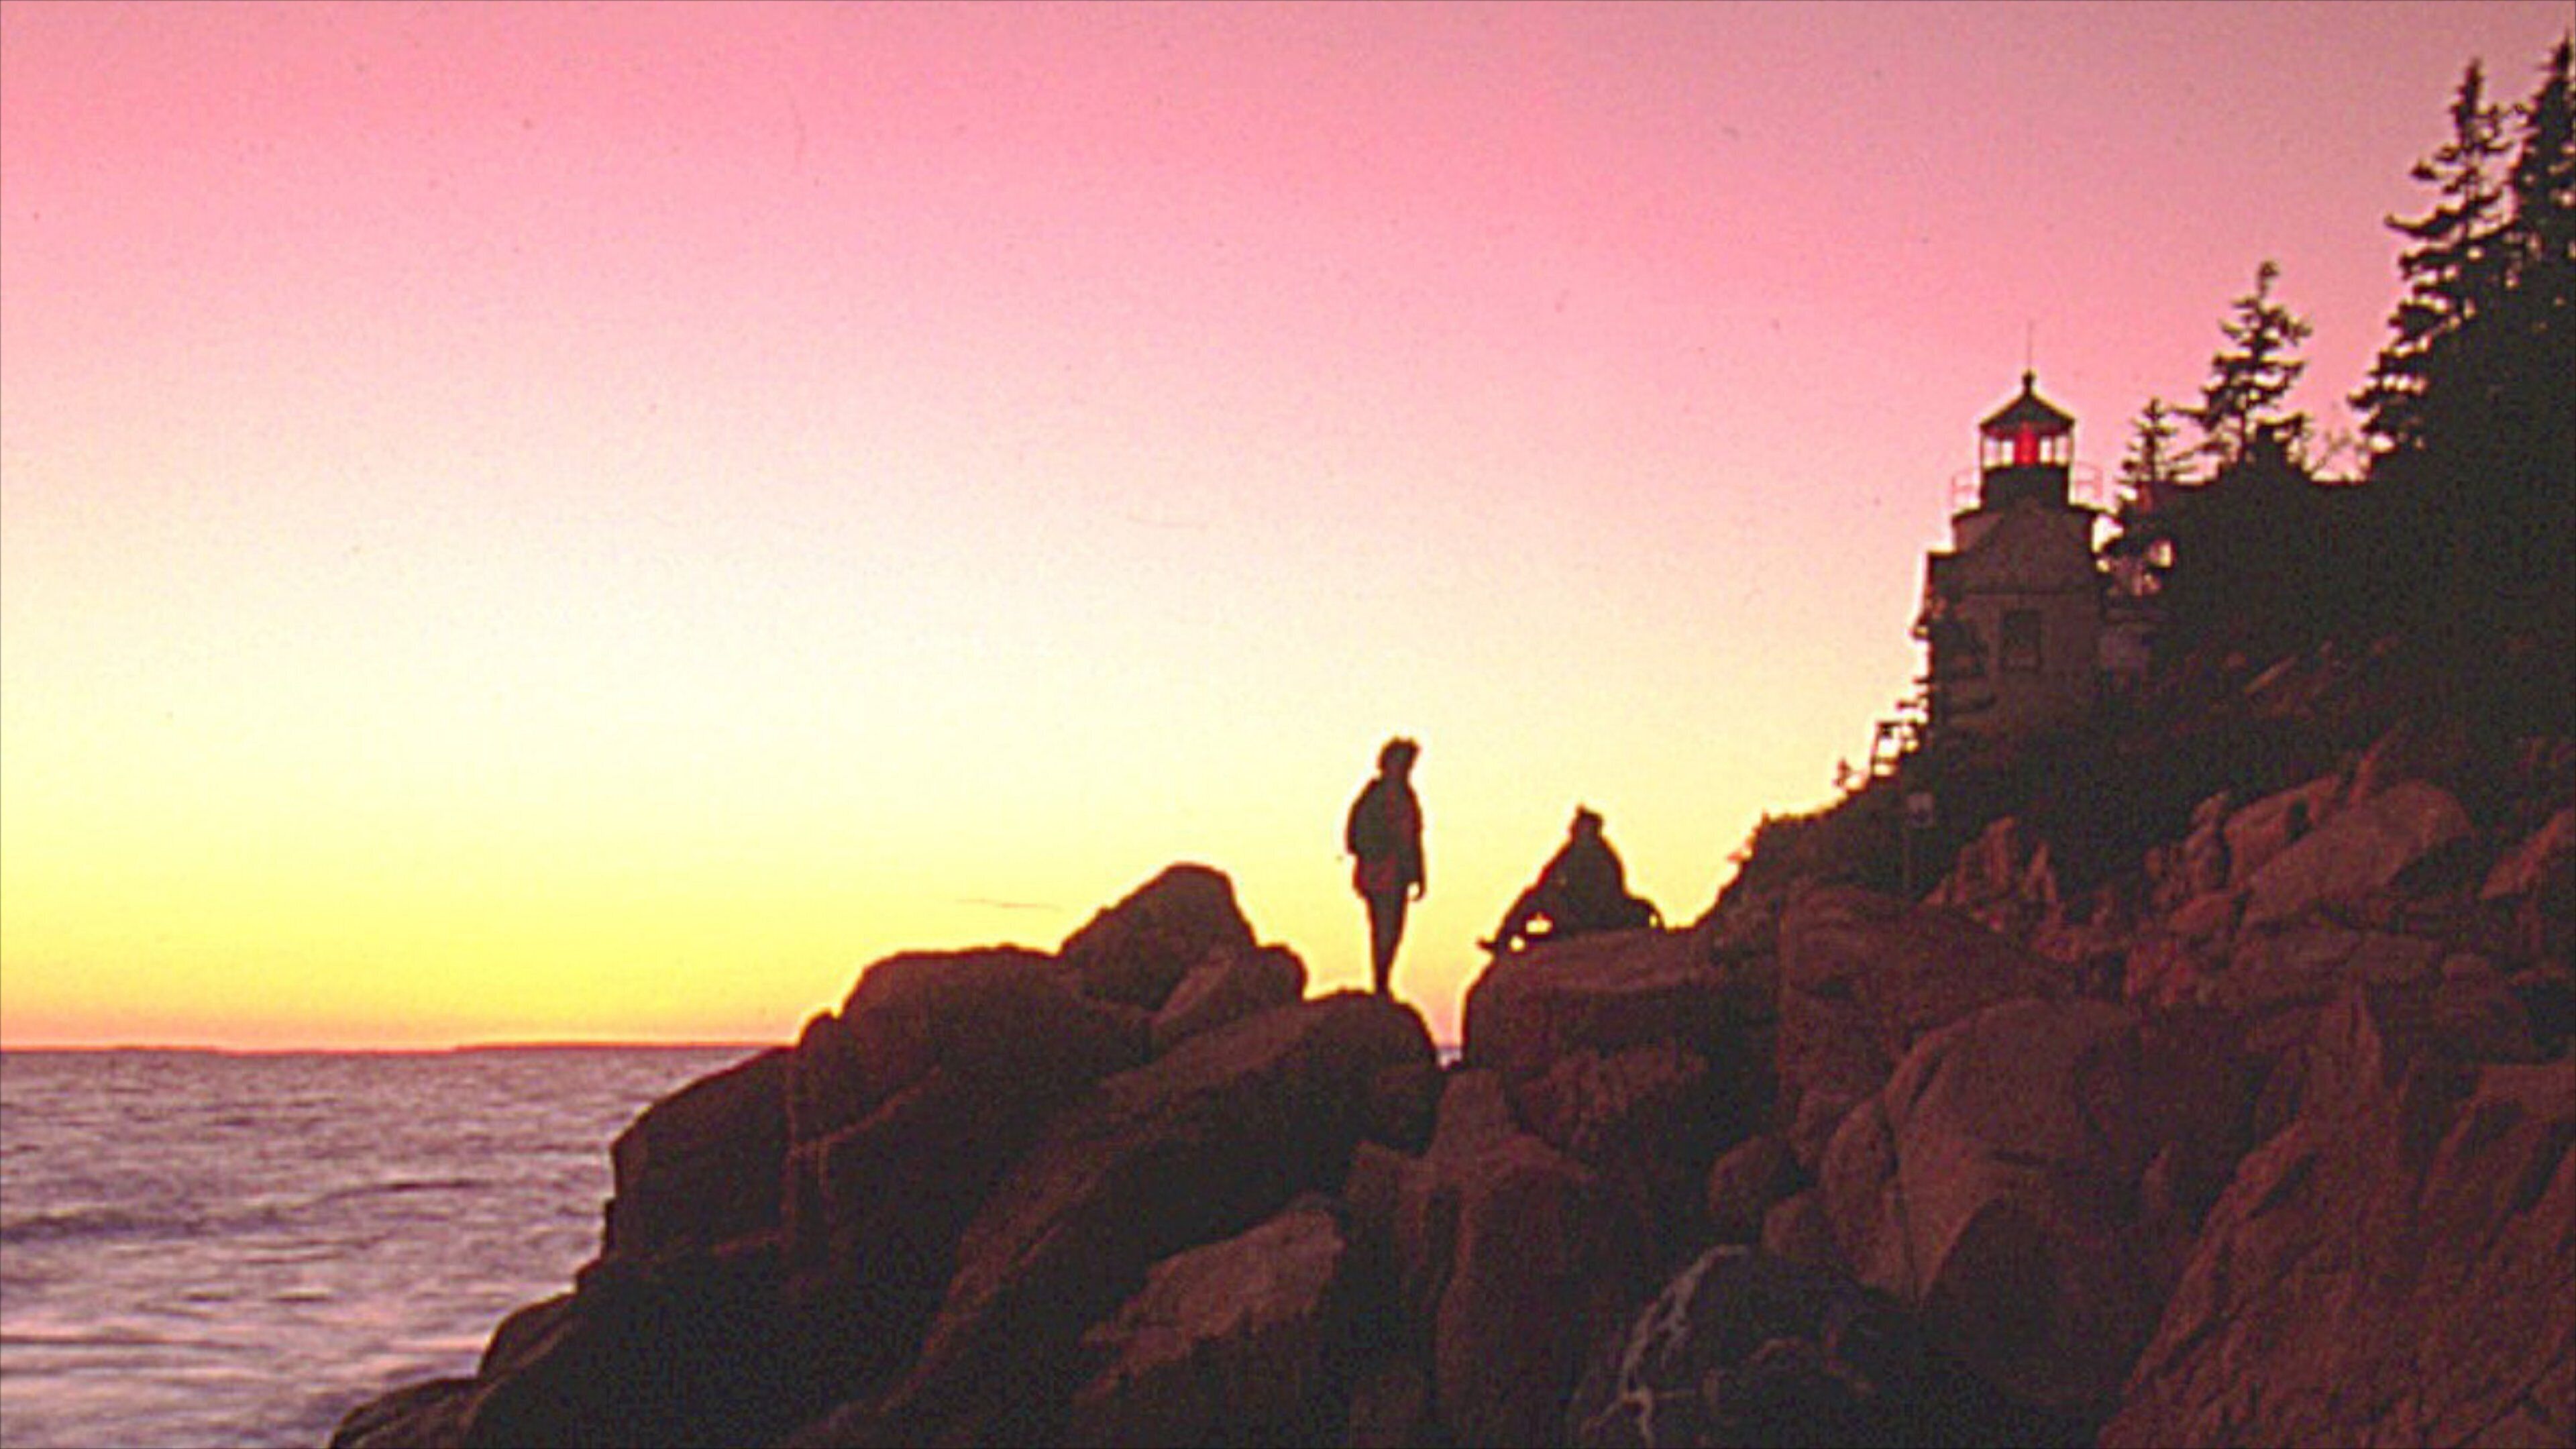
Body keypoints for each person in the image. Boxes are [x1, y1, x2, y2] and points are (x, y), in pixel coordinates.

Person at [1479, 806, 1661, 953]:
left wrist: (1556, 898)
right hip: (1580, 907)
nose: (1571, 827)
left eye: (1577, 824)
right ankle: (1504, 938)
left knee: (1535, 897)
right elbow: (1548, 875)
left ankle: (1504, 940)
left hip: (1590, 914)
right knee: (1535, 895)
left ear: (1587, 828)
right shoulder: (1575, 850)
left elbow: (1601, 892)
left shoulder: (1597, 854)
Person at [1345, 737, 1425, 996]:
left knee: (1394, 928)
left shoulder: (1407, 796)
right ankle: (1381, 982)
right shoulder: (1374, 796)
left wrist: (1419, 874)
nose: (1405, 768)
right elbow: (1355, 834)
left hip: (1398, 871)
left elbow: (1414, 837)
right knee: (1383, 925)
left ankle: (1383, 979)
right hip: (1379, 870)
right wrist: (1376, 854)